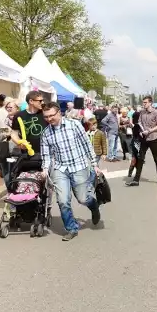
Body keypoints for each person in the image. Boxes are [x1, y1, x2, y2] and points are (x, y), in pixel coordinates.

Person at [40, 102, 101, 241]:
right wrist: (44, 169)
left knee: (83, 198)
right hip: (60, 169)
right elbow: (46, 155)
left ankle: (94, 206)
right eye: (46, 117)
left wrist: (94, 164)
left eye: (51, 115)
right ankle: (71, 228)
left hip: (79, 166)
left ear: (59, 113)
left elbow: (87, 144)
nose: (49, 119)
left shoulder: (74, 125)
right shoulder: (46, 133)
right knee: (62, 201)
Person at [126, 96, 157, 187]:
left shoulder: (156, 112)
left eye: (145, 102)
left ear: (150, 103)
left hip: (153, 138)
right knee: (140, 158)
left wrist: (149, 131)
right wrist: (136, 128)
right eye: (143, 102)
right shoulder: (141, 112)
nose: (144, 104)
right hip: (143, 138)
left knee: (156, 158)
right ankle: (136, 180)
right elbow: (139, 123)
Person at [128, 112, 142, 178]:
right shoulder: (138, 125)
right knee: (137, 159)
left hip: (134, 142)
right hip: (138, 143)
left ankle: (130, 173)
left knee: (134, 158)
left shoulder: (134, 125)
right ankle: (134, 173)